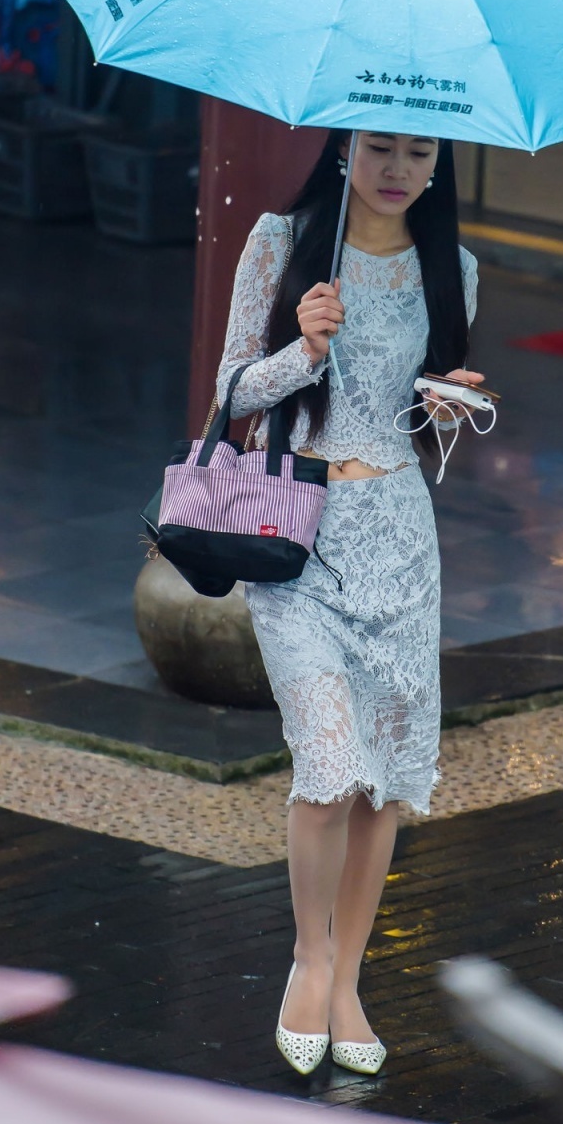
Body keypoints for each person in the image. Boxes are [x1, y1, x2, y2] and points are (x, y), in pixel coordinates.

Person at [216, 130, 481, 1076]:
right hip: (299, 535)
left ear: (440, 163)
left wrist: (445, 408)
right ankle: (309, 956)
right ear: (345, 151)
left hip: (402, 540)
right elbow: (232, 391)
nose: (397, 169)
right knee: (329, 768)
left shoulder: (454, 265)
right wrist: (303, 349)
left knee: (385, 782)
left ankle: (351, 979)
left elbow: (423, 403)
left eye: (418, 152)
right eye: (379, 148)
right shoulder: (279, 243)